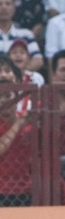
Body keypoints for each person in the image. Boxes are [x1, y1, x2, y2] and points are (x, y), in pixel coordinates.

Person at [0, 76, 35, 206]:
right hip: (1, 190)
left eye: (7, 95)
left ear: (16, 98)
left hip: (26, 189)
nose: (3, 100)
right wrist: (18, 125)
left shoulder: (29, 123)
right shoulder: (21, 122)